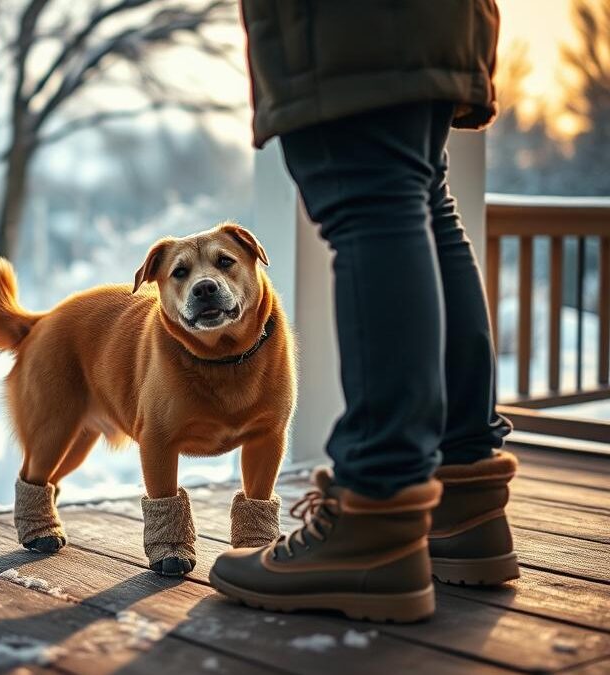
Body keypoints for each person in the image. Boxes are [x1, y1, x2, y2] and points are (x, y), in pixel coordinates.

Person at [209, 0, 518, 623]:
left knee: (373, 199)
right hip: (434, 24)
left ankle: (377, 509)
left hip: (345, 28)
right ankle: (462, 492)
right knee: (422, 200)